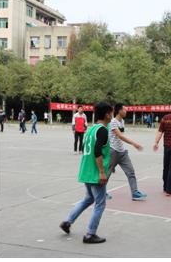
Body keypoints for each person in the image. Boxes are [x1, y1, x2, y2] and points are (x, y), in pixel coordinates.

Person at [59, 101, 113, 244]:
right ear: (108, 115)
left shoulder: (90, 130)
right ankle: (90, 234)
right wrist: (102, 172)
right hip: (95, 174)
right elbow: (97, 151)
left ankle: (67, 222)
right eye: (111, 114)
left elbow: (85, 149)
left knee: (88, 199)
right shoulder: (102, 130)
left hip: (86, 172)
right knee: (100, 204)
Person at [105, 102, 146, 201]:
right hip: (113, 151)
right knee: (107, 173)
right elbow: (120, 136)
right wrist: (134, 143)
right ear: (120, 111)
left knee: (130, 171)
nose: (126, 111)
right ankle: (101, 192)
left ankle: (135, 193)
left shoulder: (122, 121)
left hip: (123, 152)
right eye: (124, 109)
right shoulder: (113, 122)